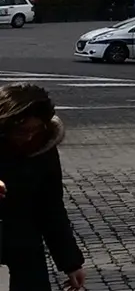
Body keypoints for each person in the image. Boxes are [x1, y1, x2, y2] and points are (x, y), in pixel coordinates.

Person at [0, 85, 86, 291]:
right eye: (22, 131)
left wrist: (71, 263)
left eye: (36, 129)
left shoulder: (43, 147)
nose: (29, 137)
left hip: (24, 250)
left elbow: (51, 207)